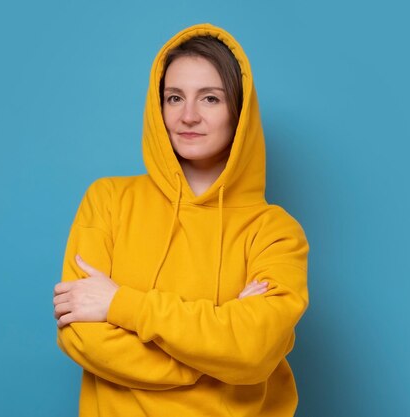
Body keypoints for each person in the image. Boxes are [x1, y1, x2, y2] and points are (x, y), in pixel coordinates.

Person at [53, 23, 309, 417]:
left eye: (210, 98)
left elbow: (255, 349)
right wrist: (218, 359)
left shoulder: (275, 232)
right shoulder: (108, 201)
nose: (188, 116)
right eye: (174, 98)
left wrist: (120, 303)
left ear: (238, 111)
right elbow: (81, 336)